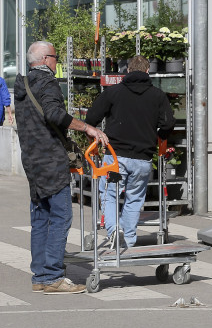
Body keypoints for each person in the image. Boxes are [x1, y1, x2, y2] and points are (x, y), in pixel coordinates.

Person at [14, 41, 108, 294]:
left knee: (41, 218)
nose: (57, 62)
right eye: (56, 57)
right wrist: (87, 127)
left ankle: (41, 276)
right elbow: (55, 115)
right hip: (51, 161)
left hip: (32, 160)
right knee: (60, 217)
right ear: (46, 59)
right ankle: (53, 276)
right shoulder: (47, 83)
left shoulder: (23, 85)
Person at [85, 55, 175, 249]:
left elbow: (91, 117)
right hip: (143, 159)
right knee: (135, 199)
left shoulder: (113, 92)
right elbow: (168, 123)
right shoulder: (158, 96)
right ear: (147, 71)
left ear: (127, 70)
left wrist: (95, 134)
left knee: (110, 195)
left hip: (116, 159)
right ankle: (129, 239)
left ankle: (114, 231)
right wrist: (159, 136)